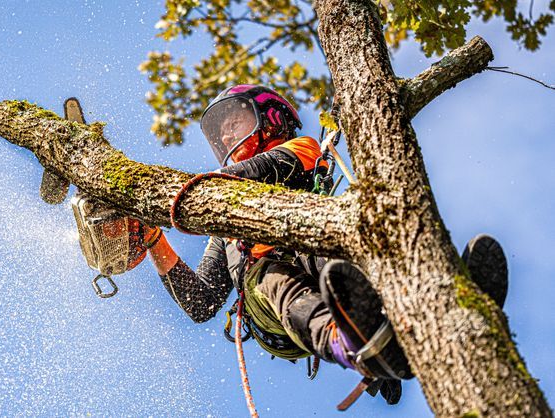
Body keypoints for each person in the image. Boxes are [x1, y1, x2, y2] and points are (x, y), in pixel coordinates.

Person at [141, 84, 509, 407]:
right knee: (271, 275)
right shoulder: (223, 233)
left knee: (335, 240)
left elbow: (255, 174)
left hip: (324, 255)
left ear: (269, 118)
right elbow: (201, 302)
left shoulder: (301, 149)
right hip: (277, 307)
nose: (225, 138)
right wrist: (153, 238)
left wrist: (181, 194)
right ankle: (351, 345)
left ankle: (426, 301)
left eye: (233, 123)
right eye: (219, 135)